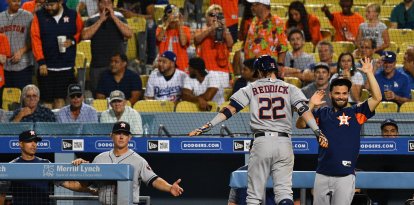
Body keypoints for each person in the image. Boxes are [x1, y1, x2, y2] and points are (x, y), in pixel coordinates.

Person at [189, 55, 328, 205]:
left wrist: (207, 125)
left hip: (262, 142)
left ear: (259, 71)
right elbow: (304, 111)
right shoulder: (290, 88)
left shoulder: (251, 88)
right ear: (275, 69)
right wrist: (317, 132)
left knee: (254, 196)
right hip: (285, 143)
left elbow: (229, 110)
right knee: (284, 193)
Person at [296, 57, 382, 205]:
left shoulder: (356, 112)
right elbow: (300, 124)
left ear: (348, 94)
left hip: (345, 176)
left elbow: (377, 97)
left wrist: (369, 73)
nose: (341, 96)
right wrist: (310, 104)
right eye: (337, 93)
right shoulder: (321, 113)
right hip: (322, 174)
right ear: (330, 95)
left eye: (344, 93)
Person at [72, 121, 184, 205]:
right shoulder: (100, 158)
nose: (121, 137)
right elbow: (84, 184)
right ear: (111, 135)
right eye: (118, 133)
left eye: (125, 134)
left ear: (129, 137)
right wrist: (81, 167)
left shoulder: (138, 160)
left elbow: (154, 179)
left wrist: (169, 188)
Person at [0, 130, 96, 205]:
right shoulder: (12, 166)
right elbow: (2, 195)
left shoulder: (45, 163)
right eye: (29, 141)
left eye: (35, 141)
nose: (34, 145)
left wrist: (90, 190)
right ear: (20, 144)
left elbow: (70, 184)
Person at [31, 0, 83, 109]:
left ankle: (59, 126)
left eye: (51, 4)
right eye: (46, 5)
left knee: (60, 101)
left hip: (66, 68)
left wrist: (73, 40)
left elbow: (81, 32)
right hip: (46, 68)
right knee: (47, 102)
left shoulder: (73, 15)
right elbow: (35, 39)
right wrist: (41, 62)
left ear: (60, 2)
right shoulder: (39, 15)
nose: (48, 7)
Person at [82, 0, 133, 94]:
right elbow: (85, 36)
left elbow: (129, 34)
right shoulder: (92, 19)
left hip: (117, 65)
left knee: (119, 95)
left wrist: (113, 17)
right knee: (98, 96)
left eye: (108, 3)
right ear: (98, 4)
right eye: (103, 3)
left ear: (112, 5)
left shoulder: (119, 17)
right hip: (98, 65)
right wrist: (101, 20)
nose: (106, 5)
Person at [194, 4, 233, 92]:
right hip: (205, 72)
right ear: (206, 17)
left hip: (222, 72)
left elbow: (230, 44)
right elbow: (197, 40)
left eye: (218, 15)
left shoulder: (224, 32)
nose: (215, 18)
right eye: (212, 15)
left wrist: (224, 26)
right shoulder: (200, 31)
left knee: (220, 102)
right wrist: (212, 28)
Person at [0, 0, 34, 90]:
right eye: (14, 1)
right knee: (7, 100)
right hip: (4, 68)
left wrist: (22, 51)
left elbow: (35, 40)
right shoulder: (1, 17)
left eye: (19, 1)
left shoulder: (28, 16)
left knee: (23, 98)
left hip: (23, 66)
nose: (18, 3)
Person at [244, 0, 288, 68]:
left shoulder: (277, 21)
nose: (251, 8)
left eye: (254, 5)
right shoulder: (254, 21)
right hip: (252, 68)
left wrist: (280, 65)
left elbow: (283, 47)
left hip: (269, 68)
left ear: (263, 5)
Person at [156, 4, 191, 72]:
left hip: (181, 67)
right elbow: (159, 38)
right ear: (165, 16)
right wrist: (167, 22)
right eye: (170, 12)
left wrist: (180, 24)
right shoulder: (160, 29)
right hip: (164, 67)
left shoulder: (185, 29)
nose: (172, 14)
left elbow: (183, 42)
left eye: (174, 12)